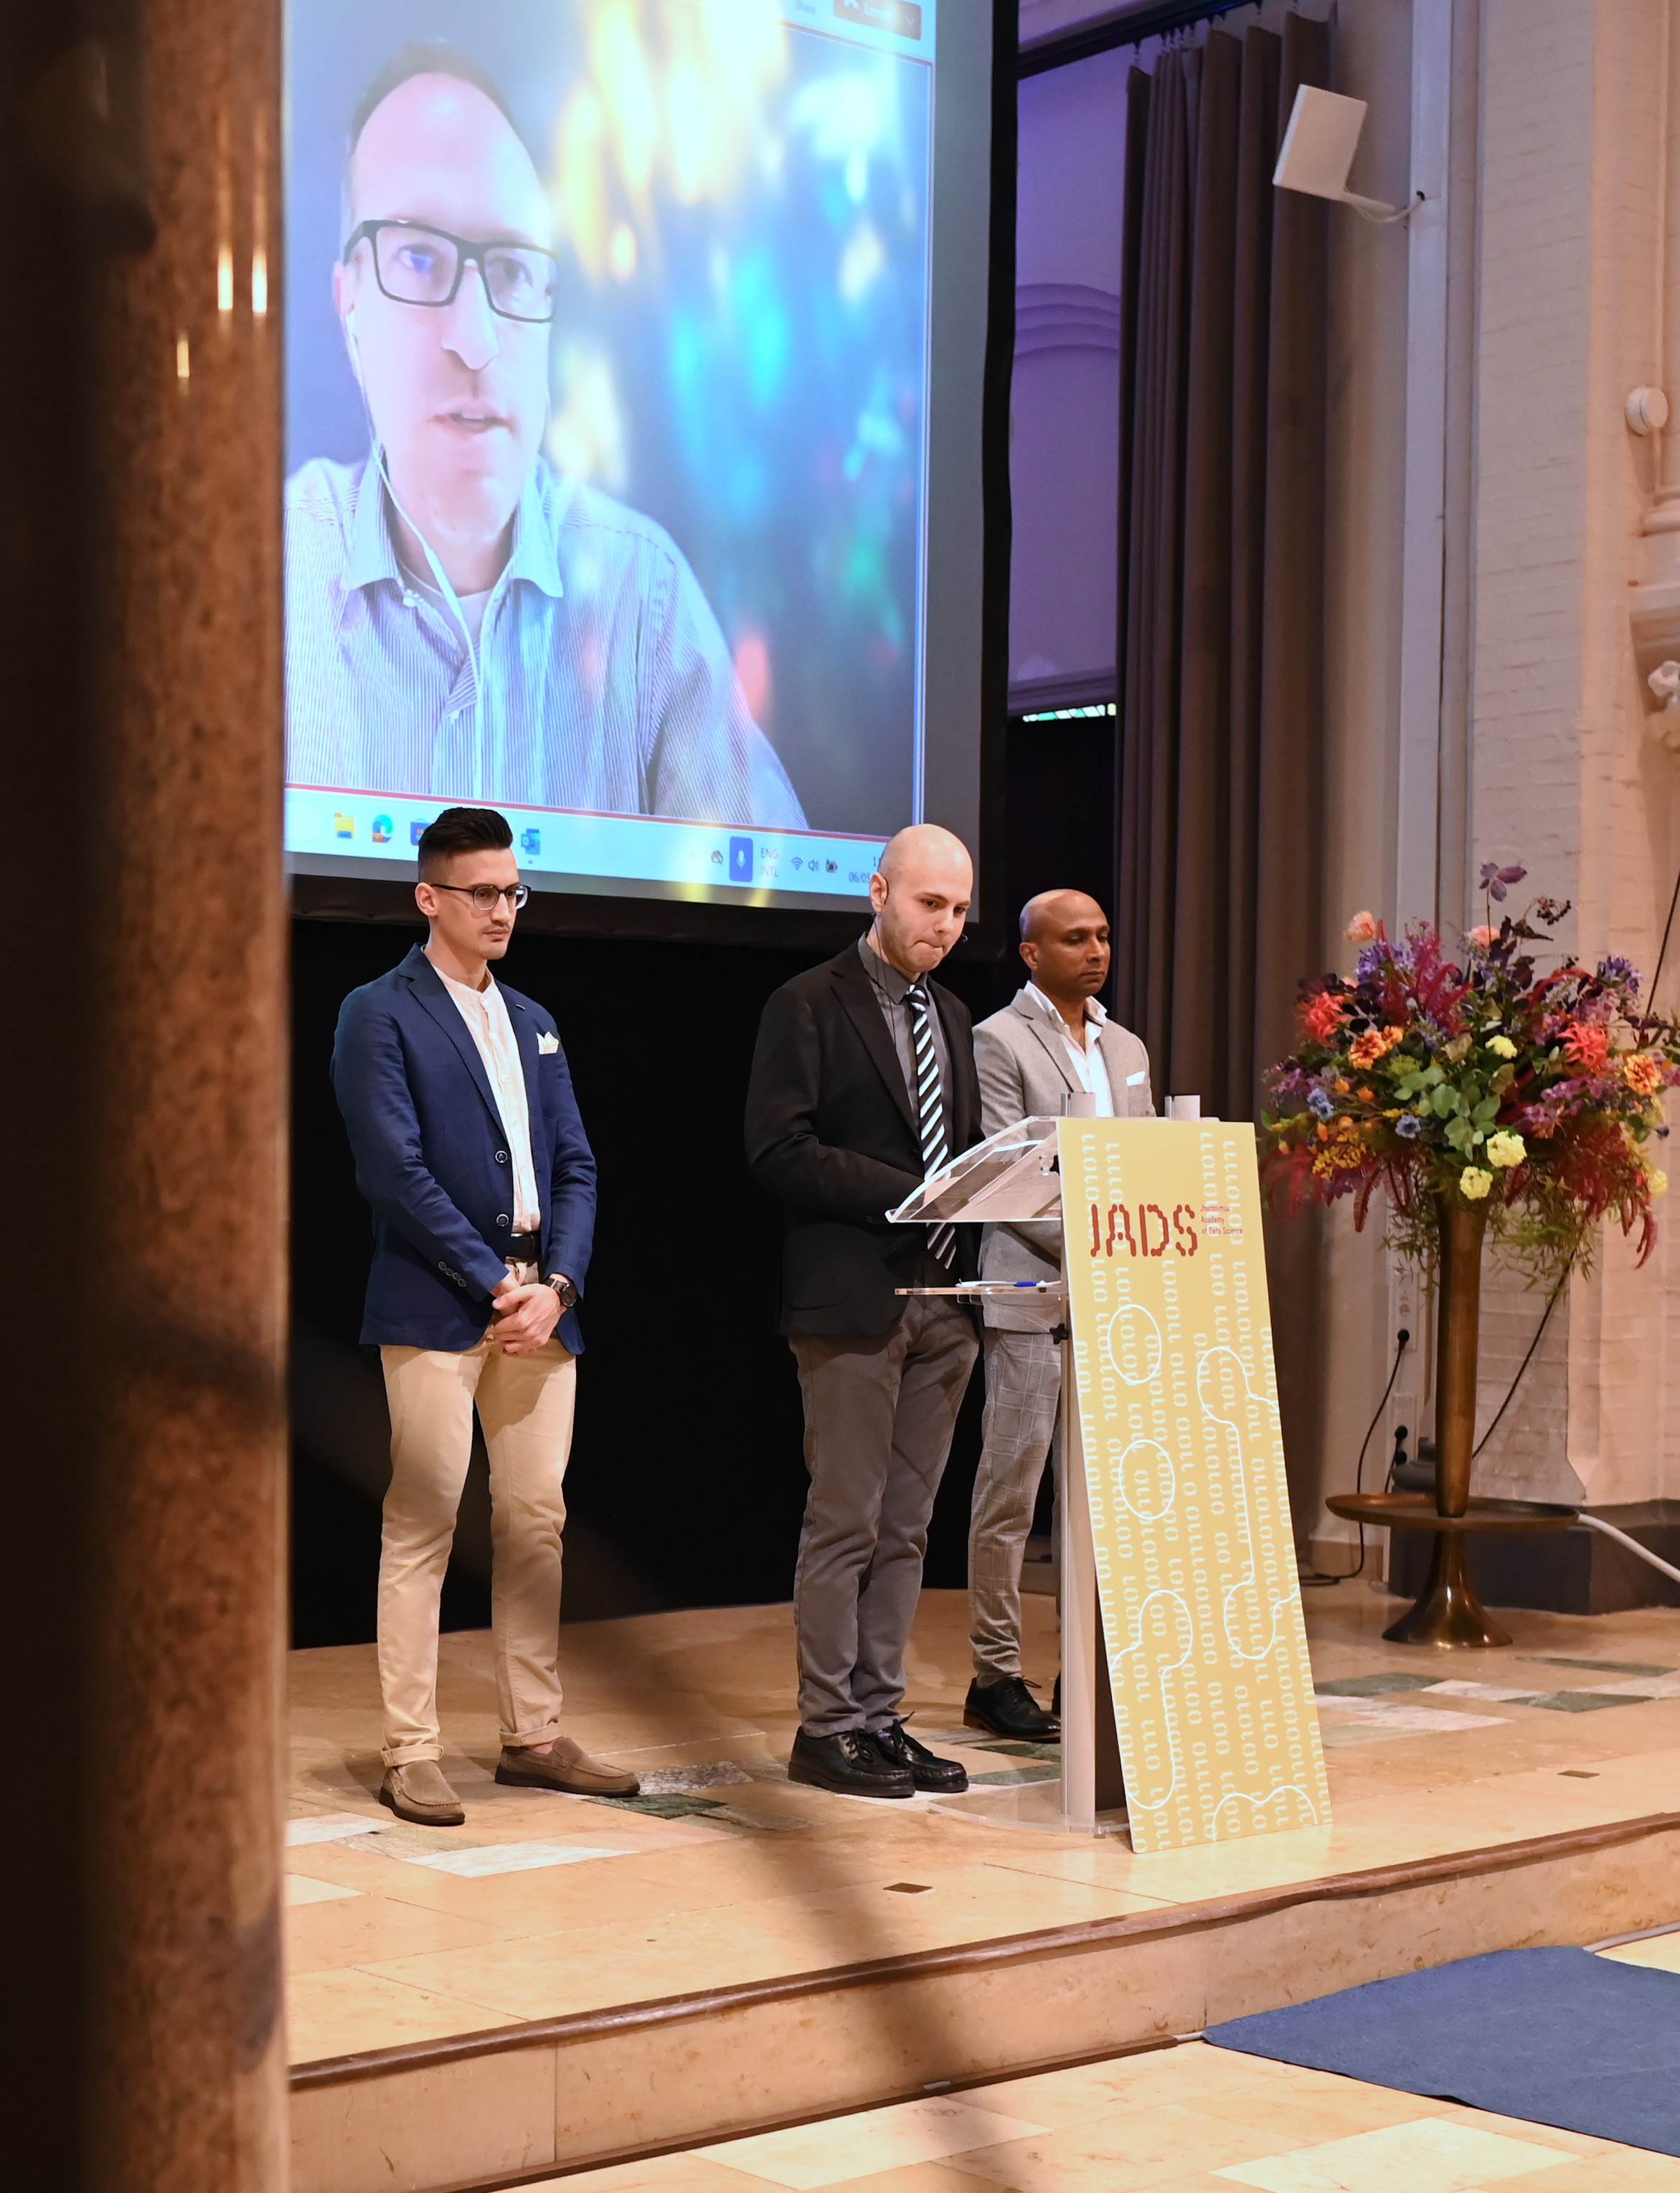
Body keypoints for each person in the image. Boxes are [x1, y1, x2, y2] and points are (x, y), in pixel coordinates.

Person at [283, 47, 805, 830]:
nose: (476, 340)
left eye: (512, 272)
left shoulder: (641, 597)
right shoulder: (264, 573)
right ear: (348, 301)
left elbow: (770, 888)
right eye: (418, 258)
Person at [328, 805, 636, 1826]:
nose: (502, 908)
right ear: (430, 897)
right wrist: (493, 1282)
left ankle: (532, 1735)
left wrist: (559, 1286)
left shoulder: (534, 1016)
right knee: (423, 1520)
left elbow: (577, 1164)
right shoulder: (379, 1010)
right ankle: (411, 1748)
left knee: (536, 1519)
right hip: (437, 1302)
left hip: (542, 1308)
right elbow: (393, 1171)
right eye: (482, 892)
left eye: (513, 891)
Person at [743, 822, 985, 1798]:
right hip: (851, 1299)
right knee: (844, 1518)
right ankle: (826, 1724)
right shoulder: (807, 1002)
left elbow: (955, 1146)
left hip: (944, 1300)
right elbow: (776, 1147)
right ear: (878, 892)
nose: (945, 926)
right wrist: (909, 1192)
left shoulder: (952, 1013)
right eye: (930, 904)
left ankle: (880, 1717)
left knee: (907, 1526)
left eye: (959, 911)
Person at [958, 890, 1155, 1740]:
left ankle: (1089, 1666)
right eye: (1075, 938)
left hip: (1115, 1302)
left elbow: (1144, 1161)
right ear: (1032, 953)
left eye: (1103, 936)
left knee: (1104, 1497)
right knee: (1011, 1492)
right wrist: (1095, 1244)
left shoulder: (1127, 1046)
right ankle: (994, 1674)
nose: (1096, 950)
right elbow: (1009, 1176)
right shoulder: (997, 1040)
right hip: (1031, 1292)